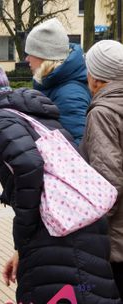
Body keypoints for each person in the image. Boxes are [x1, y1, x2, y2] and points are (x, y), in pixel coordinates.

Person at [0, 58, 121, 304]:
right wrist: (21, 250)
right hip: (81, 225)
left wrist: (23, 233)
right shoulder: (32, 115)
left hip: (57, 234)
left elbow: (29, 166)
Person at [81, 40, 123, 298]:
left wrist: (91, 233)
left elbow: (108, 181)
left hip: (117, 242)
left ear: (96, 78)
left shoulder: (104, 113)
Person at [25, 18, 90, 145]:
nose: (27, 59)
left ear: (45, 55)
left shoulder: (69, 94)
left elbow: (79, 146)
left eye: (30, 53)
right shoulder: (55, 84)